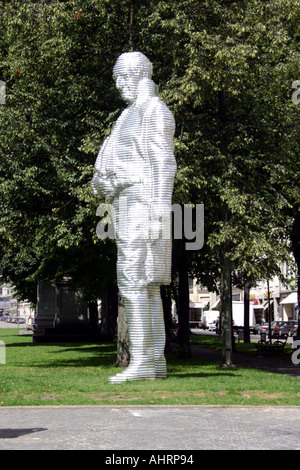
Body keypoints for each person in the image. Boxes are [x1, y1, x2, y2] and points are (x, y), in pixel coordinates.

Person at [91, 51, 176, 382]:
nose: (119, 85)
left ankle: (142, 361)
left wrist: (158, 215)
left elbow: (164, 164)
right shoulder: (125, 117)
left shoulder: (154, 111)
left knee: (135, 281)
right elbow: (105, 165)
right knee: (145, 285)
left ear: (142, 75)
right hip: (126, 202)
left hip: (144, 204)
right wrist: (106, 180)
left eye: (124, 77)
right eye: (116, 79)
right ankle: (154, 362)